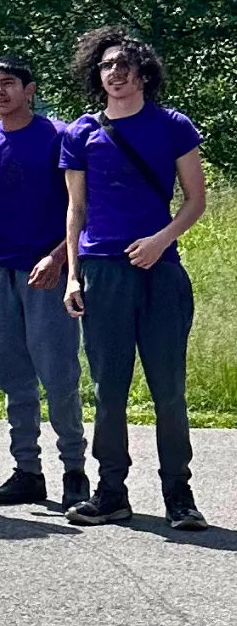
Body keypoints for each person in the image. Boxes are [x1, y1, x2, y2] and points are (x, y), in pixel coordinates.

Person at [61, 28, 208, 530]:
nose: (116, 72)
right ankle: (111, 491)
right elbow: (75, 209)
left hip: (161, 271)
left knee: (168, 387)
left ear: (144, 72)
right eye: (106, 65)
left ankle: (179, 494)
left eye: (125, 64)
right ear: (95, 75)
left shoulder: (173, 126)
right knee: (109, 389)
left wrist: (160, 240)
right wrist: (72, 277)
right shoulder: (81, 132)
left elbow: (195, 200)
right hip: (101, 270)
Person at [0, 57, 87, 509]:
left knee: (59, 374)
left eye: (8, 83)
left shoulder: (59, 137)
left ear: (30, 89)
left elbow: (84, 209)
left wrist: (58, 259)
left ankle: (75, 473)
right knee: (13, 376)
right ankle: (27, 470)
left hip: (47, 273)